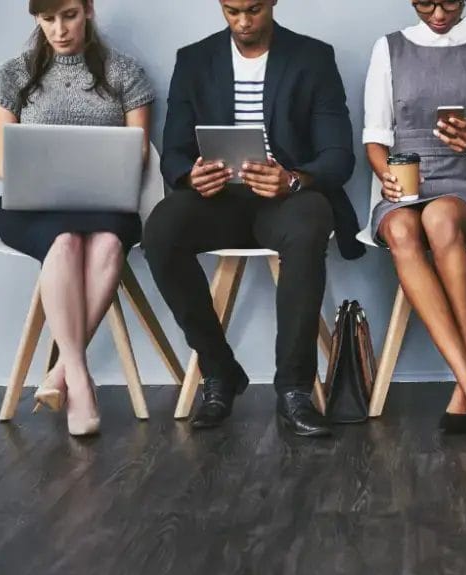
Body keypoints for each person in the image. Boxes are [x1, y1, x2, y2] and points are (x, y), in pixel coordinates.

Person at [143, 0, 363, 437]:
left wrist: (293, 179)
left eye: (254, 10)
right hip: (218, 200)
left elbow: (339, 156)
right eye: (232, 11)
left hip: (286, 200)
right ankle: (220, 371)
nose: (243, 22)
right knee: (161, 229)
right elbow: (174, 151)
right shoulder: (194, 59)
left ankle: (295, 389)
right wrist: (191, 174)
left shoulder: (313, 57)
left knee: (308, 225)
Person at [0, 0, 155, 437]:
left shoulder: (125, 73)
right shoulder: (13, 75)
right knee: (63, 242)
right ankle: (79, 380)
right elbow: (4, 163)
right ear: (37, 20)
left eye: (69, 16)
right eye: (48, 19)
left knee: (108, 243)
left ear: (89, 11)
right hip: (33, 206)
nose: (59, 30)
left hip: (106, 203)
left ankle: (61, 370)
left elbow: (136, 152)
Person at [363, 0, 466, 439]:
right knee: (398, 227)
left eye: (447, 1)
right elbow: (375, 138)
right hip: (406, 185)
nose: (437, 12)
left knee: (440, 218)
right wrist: (386, 177)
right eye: (424, 2)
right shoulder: (389, 48)